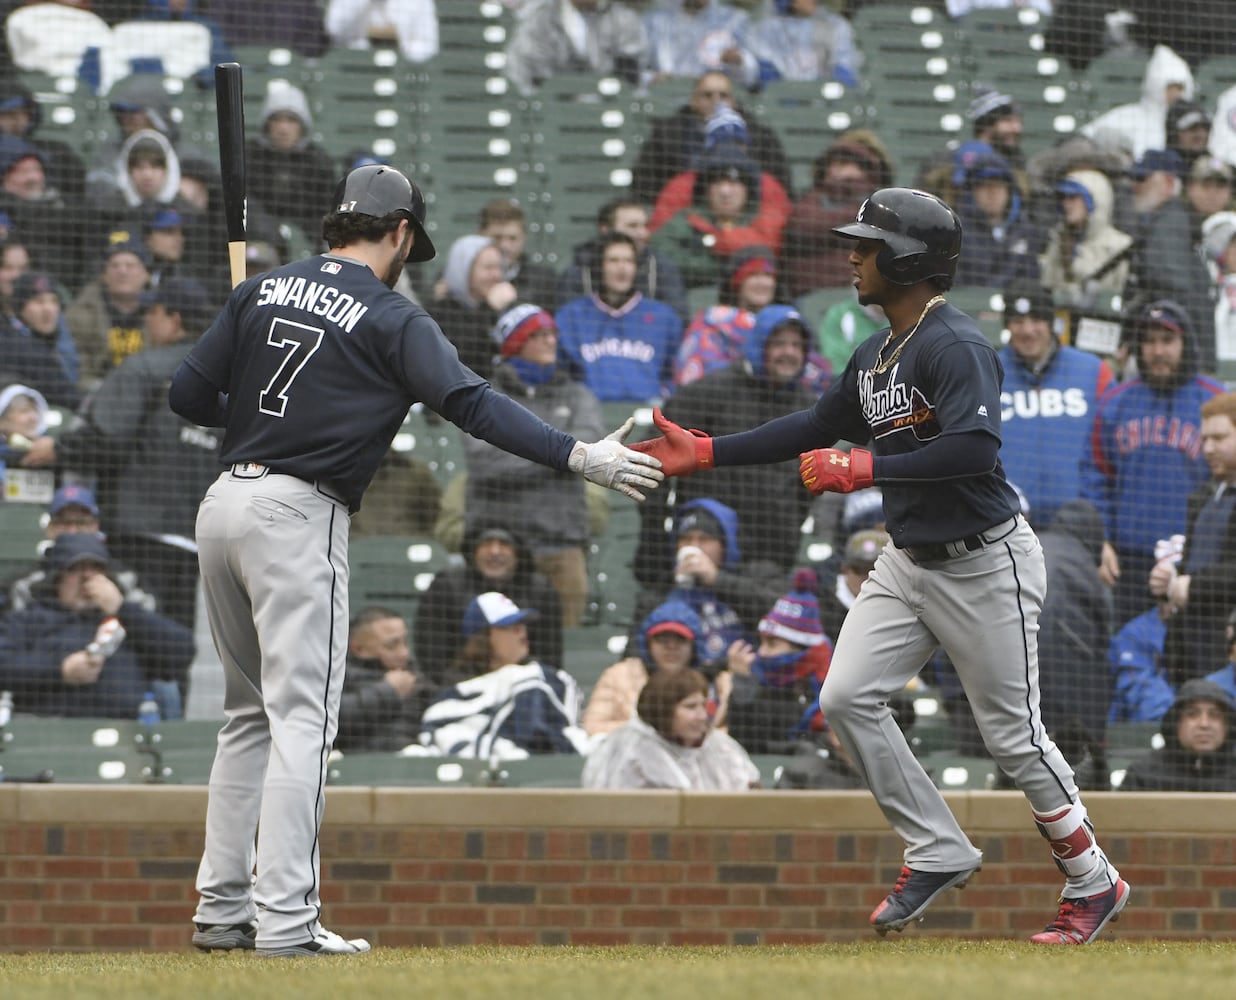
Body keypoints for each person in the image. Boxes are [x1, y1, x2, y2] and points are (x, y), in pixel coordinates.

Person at [168, 164, 662, 957]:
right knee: (301, 720)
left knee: (246, 718)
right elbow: (470, 402)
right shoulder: (390, 313)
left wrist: (258, 401)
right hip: (298, 510)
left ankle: (222, 909)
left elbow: (188, 400)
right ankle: (286, 921)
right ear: (398, 232)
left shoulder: (259, 289)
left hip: (225, 502)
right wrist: (578, 454)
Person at [630, 187, 1130, 944]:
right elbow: (815, 425)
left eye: (866, 245)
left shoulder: (952, 343)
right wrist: (706, 451)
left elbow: (974, 449)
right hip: (908, 562)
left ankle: (1094, 878)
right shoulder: (876, 352)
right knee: (846, 697)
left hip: (986, 562)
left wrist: (863, 468)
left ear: (907, 259)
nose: (852, 255)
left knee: (1014, 739)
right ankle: (937, 844)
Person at [22, 278, 221, 630]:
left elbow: (106, 439)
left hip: (136, 531)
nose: (146, 320)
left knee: (131, 631)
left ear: (172, 319)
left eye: (153, 312)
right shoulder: (224, 380)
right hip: (195, 534)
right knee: (171, 635)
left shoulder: (144, 368)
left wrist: (56, 448)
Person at [637, 305, 819, 583]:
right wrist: (658, 527)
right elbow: (652, 454)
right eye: (779, 343)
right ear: (760, 344)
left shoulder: (808, 407)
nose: (789, 353)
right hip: (708, 547)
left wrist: (791, 523)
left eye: (797, 345)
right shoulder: (709, 392)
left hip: (770, 557)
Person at [1080, 299, 1223, 626]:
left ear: (1186, 344)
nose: (1158, 351)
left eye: (1168, 340)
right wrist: (1100, 539)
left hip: (1198, 563)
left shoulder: (1215, 400)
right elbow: (1096, 477)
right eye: (1149, 341)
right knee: (1127, 652)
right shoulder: (1117, 401)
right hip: (1129, 562)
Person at [464, 304, 604, 626]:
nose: (550, 342)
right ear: (515, 343)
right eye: (538, 335)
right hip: (500, 549)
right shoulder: (484, 395)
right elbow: (485, 461)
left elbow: (588, 453)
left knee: (561, 649)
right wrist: (559, 452)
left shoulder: (577, 396)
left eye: (552, 334)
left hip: (562, 547)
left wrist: (520, 443)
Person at [0, 533, 194, 719]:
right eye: (75, 568)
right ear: (56, 577)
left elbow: (182, 653)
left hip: (123, 736)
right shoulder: (30, 618)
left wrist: (121, 608)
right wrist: (60, 671)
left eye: (96, 568)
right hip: (44, 731)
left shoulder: (128, 619)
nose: (87, 578)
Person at [998, 281, 1115, 529]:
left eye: (1037, 319)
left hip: (1078, 527)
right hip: (1007, 525)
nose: (1027, 330)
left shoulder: (1094, 372)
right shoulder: (986, 371)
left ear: (1051, 323)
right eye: (1018, 321)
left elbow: (1110, 453)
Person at [417, 592, 590, 758]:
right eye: (509, 626)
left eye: (521, 625)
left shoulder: (541, 678)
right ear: (483, 637)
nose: (521, 631)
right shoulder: (457, 687)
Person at [632, 497, 785, 673]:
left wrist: (716, 579)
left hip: (750, 677)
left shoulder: (758, 574)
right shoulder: (662, 589)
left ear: (724, 543)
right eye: (686, 539)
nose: (693, 546)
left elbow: (781, 613)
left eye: (704, 539)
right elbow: (635, 653)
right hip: (685, 687)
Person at [648, 108, 792, 291]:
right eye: (718, 184)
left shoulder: (762, 212)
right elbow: (661, 249)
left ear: (748, 190)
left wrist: (715, 241)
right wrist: (716, 266)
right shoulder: (689, 217)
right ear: (706, 189)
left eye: (734, 184)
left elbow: (769, 248)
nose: (725, 192)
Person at [1147, 392, 1236, 686]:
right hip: (1192, 651)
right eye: (1205, 438)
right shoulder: (1204, 496)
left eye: (1220, 438)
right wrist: (1170, 580)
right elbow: (1193, 565)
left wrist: (1193, 586)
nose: (1208, 448)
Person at [414, 522, 565, 687]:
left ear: (518, 552)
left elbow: (551, 657)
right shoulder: (446, 585)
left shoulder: (541, 590)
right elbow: (430, 655)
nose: (494, 551)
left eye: (504, 544)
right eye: (486, 544)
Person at [630, 69, 792, 208]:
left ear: (733, 102)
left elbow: (780, 183)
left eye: (723, 95)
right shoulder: (666, 135)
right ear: (694, 101)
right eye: (707, 95)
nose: (716, 101)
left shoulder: (760, 136)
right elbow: (644, 186)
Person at [581, 666, 759, 790]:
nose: (701, 716)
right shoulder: (629, 749)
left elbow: (753, 793)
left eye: (703, 706)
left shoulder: (719, 745)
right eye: (690, 707)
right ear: (664, 710)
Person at [554, 232, 681, 402]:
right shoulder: (570, 317)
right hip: (589, 417)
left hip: (650, 417)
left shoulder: (665, 318)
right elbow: (559, 373)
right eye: (613, 260)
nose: (622, 267)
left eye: (629, 261)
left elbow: (676, 374)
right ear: (598, 267)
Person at [0, 483, 155, 617]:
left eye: (81, 523)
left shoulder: (124, 577)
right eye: (64, 523)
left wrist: (120, 607)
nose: (72, 531)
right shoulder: (26, 583)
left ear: (95, 527)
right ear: (50, 529)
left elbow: (150, 629)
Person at [722, 569, 834, 754]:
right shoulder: (755, 677)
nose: (762, 652)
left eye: (772, 644)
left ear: (801, 646)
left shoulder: (833, 675)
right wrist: (742, 683)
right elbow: (744, 742)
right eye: (762, 642)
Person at [1125, 148, 1217, 371]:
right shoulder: (1172, 218)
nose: (1135, 186)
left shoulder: (1169, 223)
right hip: (1187, 351)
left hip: (1175, 359)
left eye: (1143, 179)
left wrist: (1134, 336)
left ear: (1168, 183)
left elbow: (1170, 289)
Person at [582, 599, 713, 737]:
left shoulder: (716, 680)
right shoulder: (619, 675)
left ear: (694, 646)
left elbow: (725, 732)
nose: (671, 647)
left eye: (680, 639)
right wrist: (655, 731)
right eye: (663, 639)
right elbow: (593, 726)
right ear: (648, 644)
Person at [782, 139, 887, 298]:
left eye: (844, 163)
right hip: (810, 291)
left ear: (863, 170)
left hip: (858, 291)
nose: (835, 169)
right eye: (832, 163)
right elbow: (801, 226)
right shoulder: (812, 196)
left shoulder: (877, 200)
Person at [556, 197, 687, 321]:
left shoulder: (663, 268)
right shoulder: (579, 269)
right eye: (633, 226)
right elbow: (566, 322)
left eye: (645, 226)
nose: (643, 233)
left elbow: (677, 321)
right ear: (605, 230)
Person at [244, 82, 337, 244]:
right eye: (277, 120)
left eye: (291, 120)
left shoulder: (319, 161)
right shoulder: (249, 156)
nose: (283, 128)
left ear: (302, 126)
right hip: (256, 242)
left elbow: (326, 213)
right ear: (267, 124)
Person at [334, 606, 434, 754]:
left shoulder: (416, 677)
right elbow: (332, 717)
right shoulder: (337, 677)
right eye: (392, 645)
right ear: (358, 649)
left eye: (405, 642)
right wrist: (389, 691)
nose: (404, 653)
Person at [503, 0, 648, 96]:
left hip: (610, 111)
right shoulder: (540, 18)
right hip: (551, 114)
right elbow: (525, 74)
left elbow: (632, 71)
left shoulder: (623, 17)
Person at [1037, 169, 1134, 310]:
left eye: (1073, 198)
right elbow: (1047, 286)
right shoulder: (1058, 240)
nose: (1066, 204)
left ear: (1096, 200)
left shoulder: (1120, 246)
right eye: (1063, 197)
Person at [1119, 679, 1236, 792]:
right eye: (1192, 714)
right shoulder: (1142, 774)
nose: (1204, 724)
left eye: (1214, 715)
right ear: (1176, 723)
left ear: (1227, 725)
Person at [64, 239, 151, 389]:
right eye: (115, 265)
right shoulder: (80, 313)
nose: (122, 271)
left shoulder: (161, 312)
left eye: (130, 265)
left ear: (146, 274)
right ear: (104, 275)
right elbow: (79, 369)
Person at [430, 235, 517, 379]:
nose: (497, 275)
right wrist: (489, 309)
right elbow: (461, 359)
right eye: (488, 267)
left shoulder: (508, 306)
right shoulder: (441, 311)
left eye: (499, 267)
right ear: (463, 269)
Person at [952, 149, 1041, 290]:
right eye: (984, 186)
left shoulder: (1025, 231)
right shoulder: (957, 232)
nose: (992, 193)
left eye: (998, 186)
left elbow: (1031, 278)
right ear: (972, 192)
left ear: (1009, 191)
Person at [0, 270, 81, 408]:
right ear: (20, 307)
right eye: (39, 301)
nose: (48, 309)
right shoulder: (11, 345)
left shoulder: (60, 339)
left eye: (54, 301)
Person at [642, 0, 758, 91]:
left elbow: (751, 77)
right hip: (662, 98)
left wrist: (739, 61)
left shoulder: (734, 20)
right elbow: (634, 71)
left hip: (714, 103)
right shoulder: (655, 20)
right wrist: (652, 77)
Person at [746, 0, 861, 90]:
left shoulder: (835, 26)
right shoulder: (766, 29)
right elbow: (763, 71)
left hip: (825, 98)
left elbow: (845, 68)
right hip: (782, 99)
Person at [477, 198, 559, 311]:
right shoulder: (461, 283)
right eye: (497, 237)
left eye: (512, 238)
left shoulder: (544, 281)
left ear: (524, 238)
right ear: (481, 235)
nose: (504, 246)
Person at [816, 527, 889, 645]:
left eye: (875, 570)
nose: (867, 576)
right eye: (859, 569)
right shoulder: (822, 602)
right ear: (844, 569)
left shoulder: (895, 605)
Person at [325, 0, 440, 64]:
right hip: (356, 70)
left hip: (400, 72)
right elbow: (334, 32)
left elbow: (430, 46)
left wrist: (403, 49)